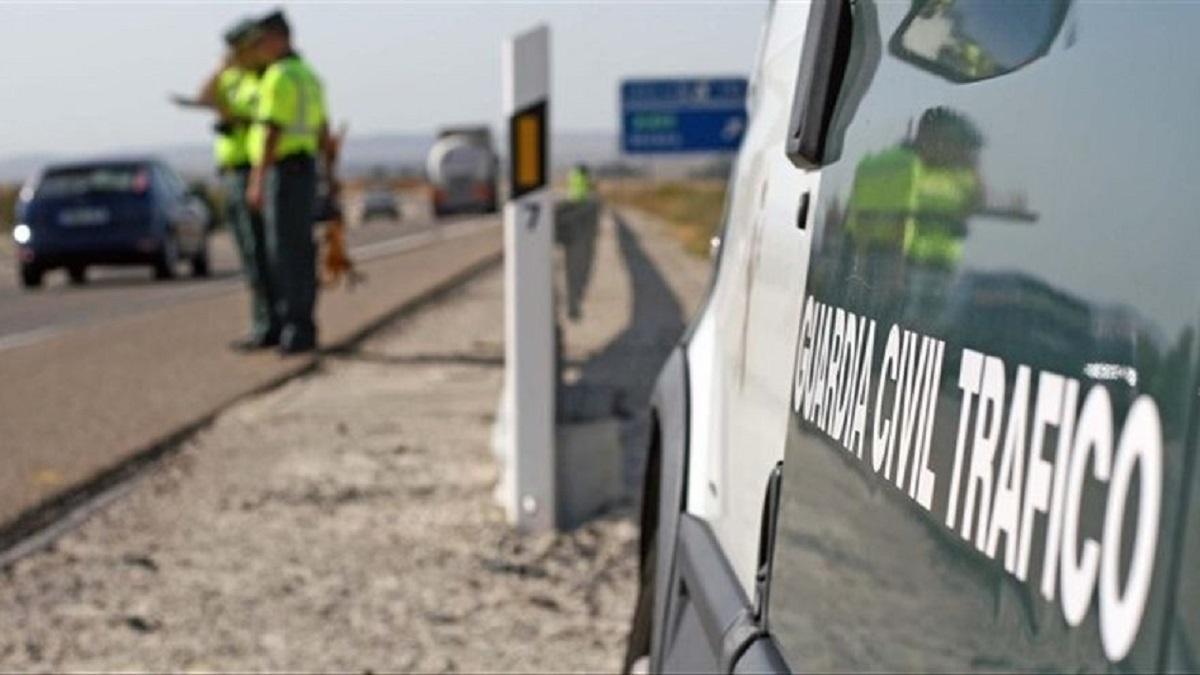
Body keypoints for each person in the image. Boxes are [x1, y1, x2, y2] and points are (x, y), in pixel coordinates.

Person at [246, 10, 336, 354]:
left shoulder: (279, 76)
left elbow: (271, 131)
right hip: (306, 170)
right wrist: (328, 175)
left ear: (279, 38)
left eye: (262, 41)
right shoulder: (309, 76)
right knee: (301, 250)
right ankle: (303, 324)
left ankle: (293, 328)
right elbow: (323, 131)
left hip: (283, 172)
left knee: (283, 252)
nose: (259, 49)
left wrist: (257, 180)